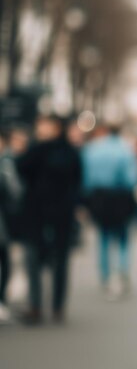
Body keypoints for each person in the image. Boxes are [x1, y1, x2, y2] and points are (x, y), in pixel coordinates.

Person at [16, 115, 82, 324]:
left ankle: (47, 306)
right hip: (47, 213)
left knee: (49, 260)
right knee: (41, 260)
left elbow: (23, 168)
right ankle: (46, 306)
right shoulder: (67, 151)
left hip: (49, 212)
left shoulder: (49, 150)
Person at [82, 124, 137, 298]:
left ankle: (105, 275)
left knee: (103, 236)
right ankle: (122, 271)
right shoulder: (126, 150)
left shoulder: (92, 149)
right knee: (123, 236)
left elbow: (86, 179)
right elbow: (132, 179)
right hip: (120, 197)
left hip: (99, 197)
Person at [0, 130, 23, 323]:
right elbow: (16, 193)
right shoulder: (6, 166)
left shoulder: (6, 165)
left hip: (3, 223)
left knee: (5, 261)